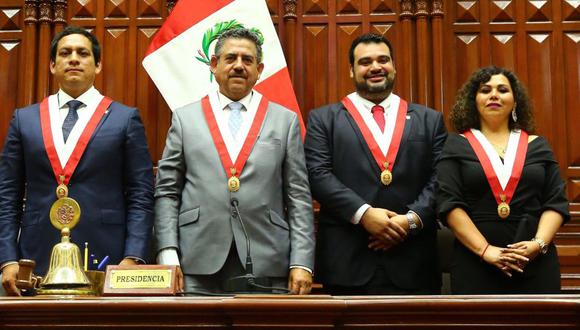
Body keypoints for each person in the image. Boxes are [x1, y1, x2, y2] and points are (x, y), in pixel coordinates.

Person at [154, 28, 315, 295]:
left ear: (260, 69)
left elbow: (298, 196)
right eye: (230, 58)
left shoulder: (284, 121)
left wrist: (302, 262)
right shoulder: (185, 119)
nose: (239, 66)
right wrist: (168, 255)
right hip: (195, 262)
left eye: (247, 60)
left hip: (267, 262)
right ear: (214, 65)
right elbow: (167, 191)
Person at [0, 26, 155, 296]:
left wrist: (134, 256)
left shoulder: (124, 118)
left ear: (98, 65)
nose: (73, 58)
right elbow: (7, 194)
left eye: (83, 53)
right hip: (36, 257)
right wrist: (7, 259)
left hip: (108, 256)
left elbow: (141, 193)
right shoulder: (24, 120)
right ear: (52, 64)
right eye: (65, 53)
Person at [304, 33, 447, 295]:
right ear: (351, 70)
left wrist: (410, 221)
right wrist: (364, 215)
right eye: (365, 61)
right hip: (348, 261)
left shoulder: (430, 120)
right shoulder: (323, 120)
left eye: (383, 60)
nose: (375, 67)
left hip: (414, 260)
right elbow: (317, 175)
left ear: (394, 66)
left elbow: (442, 178)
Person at [436, 66, 569, 294]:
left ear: (515, 101)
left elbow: (555, 202)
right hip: (476, 261)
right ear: (473, 100)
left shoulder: (538, 145)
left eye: (502, 90)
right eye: (485, 90)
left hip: (534, 262)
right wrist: (486, 250)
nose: (494, 95)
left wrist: (537, 245)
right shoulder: (455, 145)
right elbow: (449, 205)